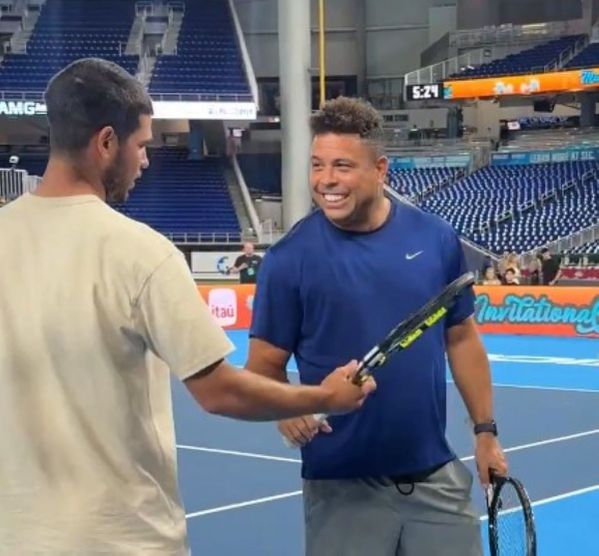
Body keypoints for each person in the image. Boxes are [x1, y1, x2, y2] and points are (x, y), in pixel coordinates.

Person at [0, 60, 376, 555]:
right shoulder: (141, 253)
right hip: (119, 539)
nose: (145, 161)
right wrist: (325, 397)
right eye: (142, 145)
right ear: (106, 142)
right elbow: (219, 392)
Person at [246, 97, 507, 556]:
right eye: (317, 165)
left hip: (436, 480)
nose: (326, 180)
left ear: (380, 169)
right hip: (340, 490)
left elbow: (462, 338)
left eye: (343, 166)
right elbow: (262, 367)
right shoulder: (288, 260)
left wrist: (486, 433)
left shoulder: (436, 239)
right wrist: (285, 408)